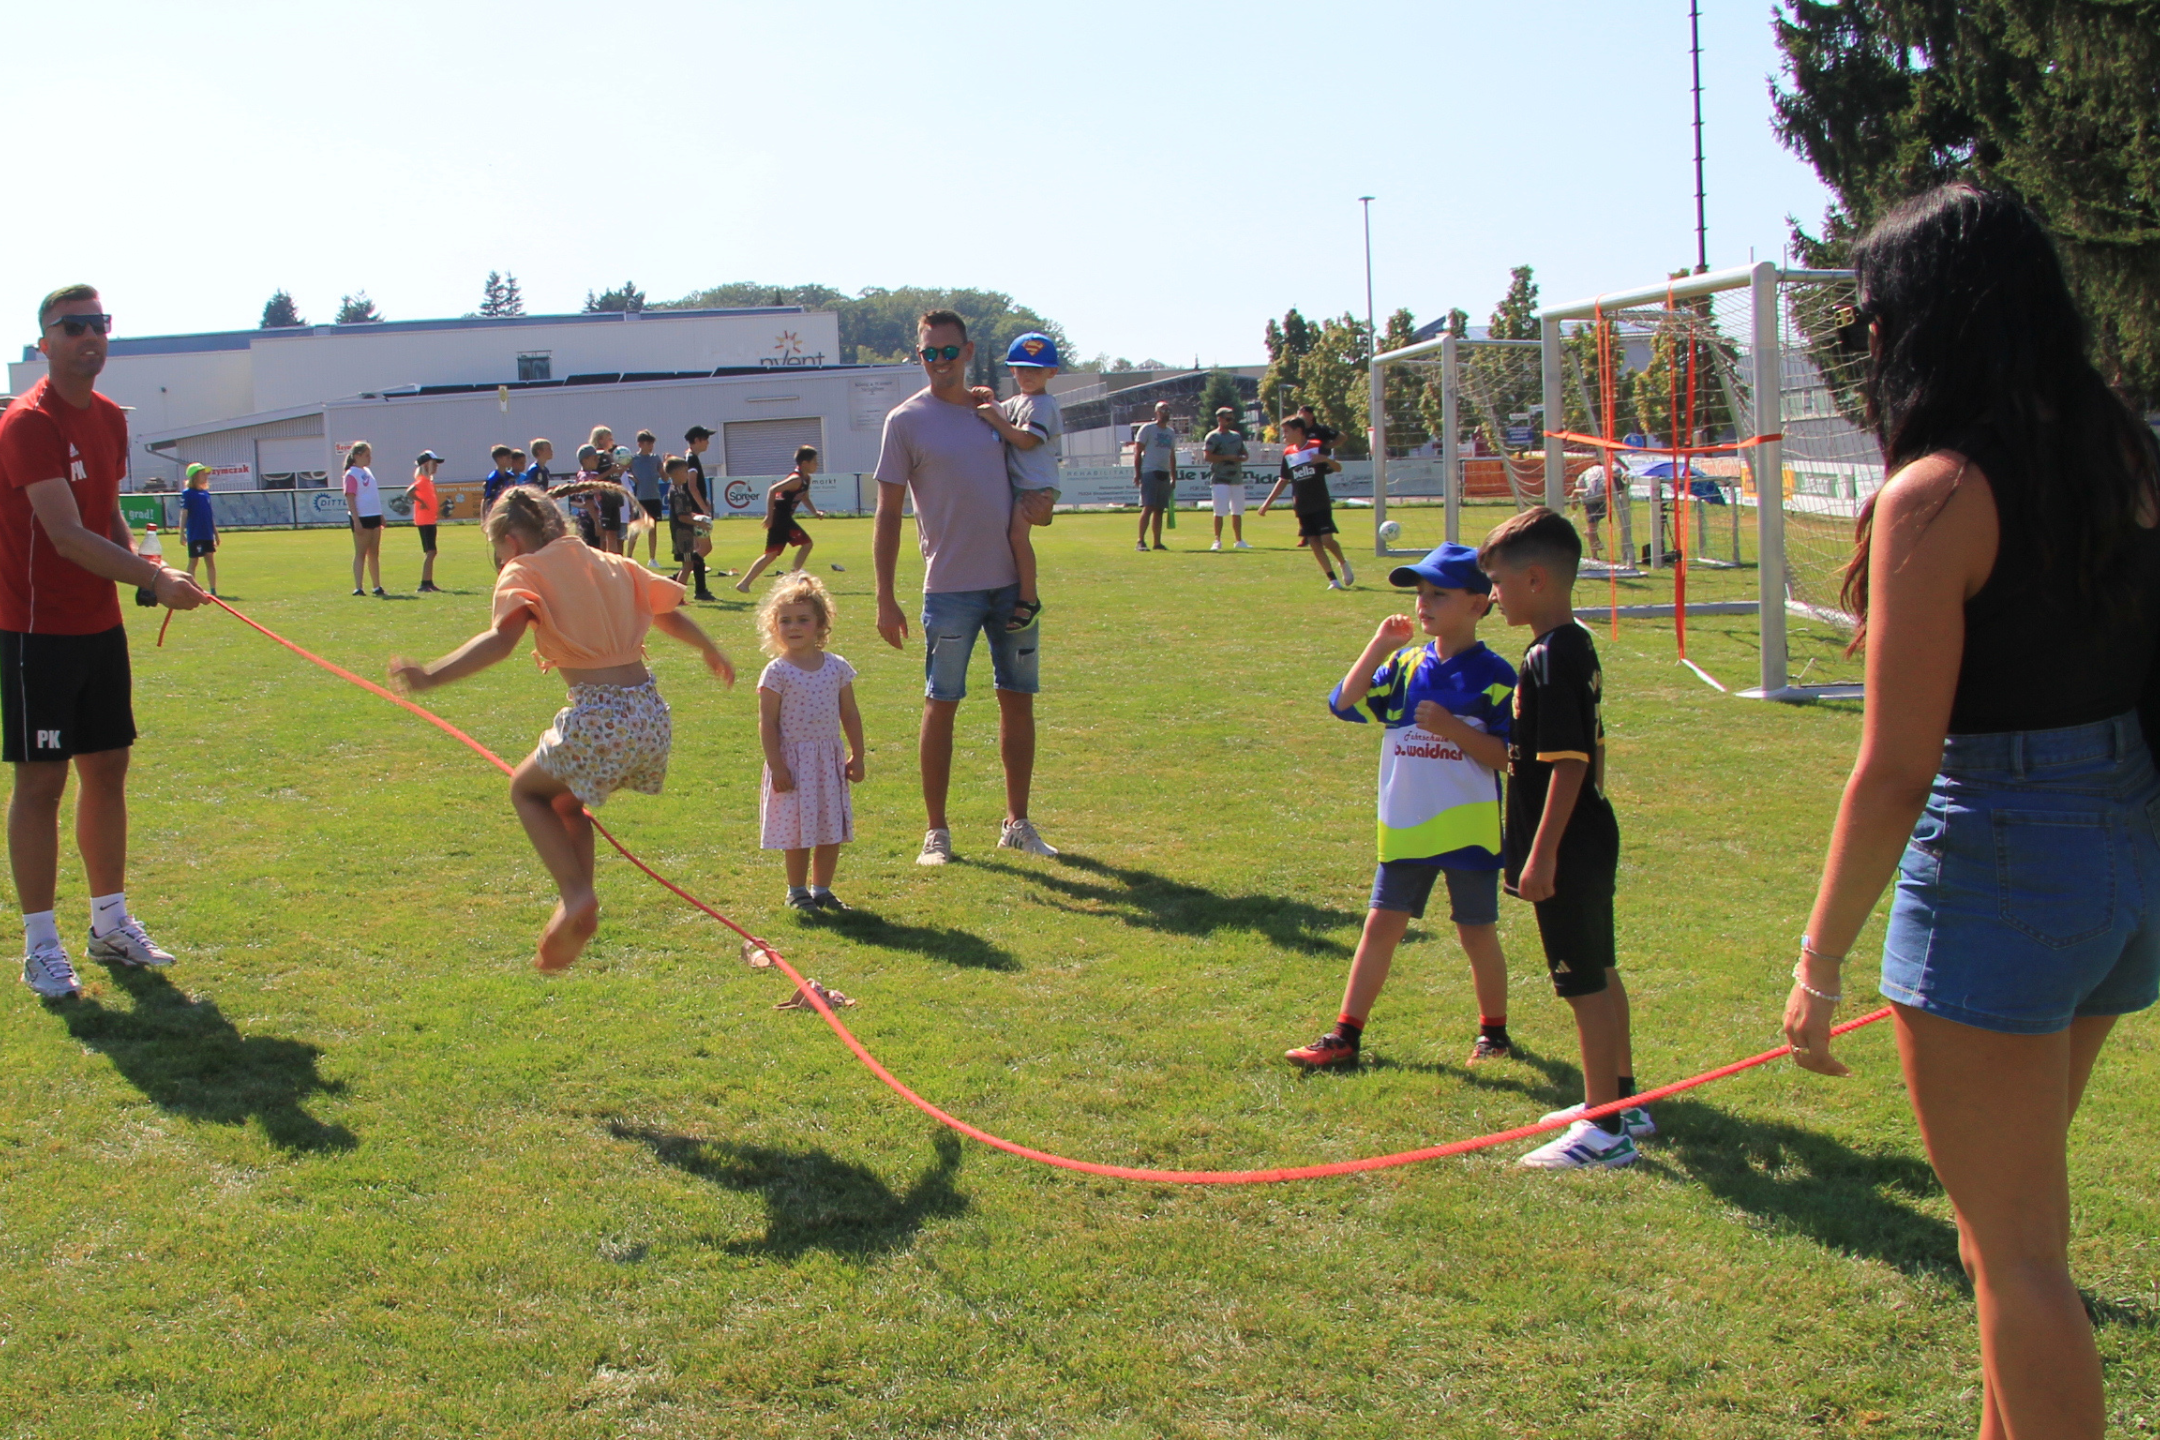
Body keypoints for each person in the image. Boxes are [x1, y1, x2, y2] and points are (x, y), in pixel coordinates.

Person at [1781, 184, 2160, 1439]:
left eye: (1876, 318)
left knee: (2019, 1259)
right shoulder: (2124, 454)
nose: (1870, 344)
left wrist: (1819, 959)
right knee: (2001, 1230)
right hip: (2123, 864)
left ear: (1923, 325)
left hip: (2006, 865)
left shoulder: (1935, 496)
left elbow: (1896, 765)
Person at [387, 489, 733, 971]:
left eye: (499, 551)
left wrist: (431, 675)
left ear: (510, 539)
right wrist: (710, 648)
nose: (501, 561)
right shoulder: (609, 561)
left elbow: (500, 641)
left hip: (601, 717)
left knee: (526, 792)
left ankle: (575, 896)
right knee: (567, 802)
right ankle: (578, 902)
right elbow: (667, 613)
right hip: (651, 714)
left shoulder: (526, 570)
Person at [0, 284, 207, 999]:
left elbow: (106, 518)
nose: (91, 336)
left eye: (100, 325)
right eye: (74, 326)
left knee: (109, 767)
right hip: (34, 630)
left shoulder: (112, 418)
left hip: (97, 627)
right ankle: (39, 944)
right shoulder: (27, 422)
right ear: (44, 343)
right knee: (41, 781)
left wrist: (148, 575)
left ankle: (110, 924)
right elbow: (63, 535)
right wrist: (153, 580)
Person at [1285, 544, 1517, 1069]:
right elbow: (1342, 703)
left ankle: (1494, 1034)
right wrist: (1377, 645)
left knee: (1475, 931)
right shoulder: (1405, 665)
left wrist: (1454, 730)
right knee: (1380, 927)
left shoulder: (1497, 677)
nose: (1423, 604)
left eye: (1439, 594)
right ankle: (1345, 1035)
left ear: (1479, 604)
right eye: (1419, 594)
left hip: (1469, 829)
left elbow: (1510, 758)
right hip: (1407, 825)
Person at [1476, 506, 1648, 1169]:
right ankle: (1618, 1098)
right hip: (1586, 836)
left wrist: (1543, 851)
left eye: (1497, 582)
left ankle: (1604, 1135)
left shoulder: (1550, 658)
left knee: (1581, 981)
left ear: (1537, 580)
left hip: (1569, 842)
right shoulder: (1566, 646)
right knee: (1600, 966)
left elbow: (1570, 763)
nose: (1492, 596)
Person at [873, 309, 1057, 866]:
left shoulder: (994, 412)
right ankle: (937, 832)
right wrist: (885, 595)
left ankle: (1017, 822)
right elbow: (886, 513)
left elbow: (1033, 468)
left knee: (1018, 701)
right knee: (941, 703)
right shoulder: (904, 421)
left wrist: (1042, 506)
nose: (940, 362)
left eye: (950, 351)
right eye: (930, 353)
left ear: (969, 350)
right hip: (949, 588)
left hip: (1011, 586)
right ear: (919, 354)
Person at [756, 573, 865, 912]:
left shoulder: (837, 667)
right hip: (793, 762)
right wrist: (777, 765)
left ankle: (823, 889)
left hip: (827, 760)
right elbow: (768, 722)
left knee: (830, 829)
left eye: (803, 619)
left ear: (820, 623)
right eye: (785, 620)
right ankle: (797, 891)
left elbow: (849, 713)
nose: (794, 626)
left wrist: (857, 754)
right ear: (775, 626)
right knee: (798, 830)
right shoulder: (776, 672)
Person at [971, 332, 1063, 630]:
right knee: (1011, 538)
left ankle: (1028, 598)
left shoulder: (1044, 405)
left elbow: (1025, 440)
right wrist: (988, 398)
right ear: (1012, 369)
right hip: (1021, 482)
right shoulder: (1018, 401)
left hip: (1035, 483)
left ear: (1051, 373)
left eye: (1035, 369)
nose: (1027, 375)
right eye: (1022, 368)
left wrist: (995, 419)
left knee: (1017, 538)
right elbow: (1000, 410)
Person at [1259, 417, 1354, 588]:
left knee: (1327, 539)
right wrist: (1266, 504)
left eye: (1287, 431)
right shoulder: (1288, 453)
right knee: (1314, 543)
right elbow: (1283, 480)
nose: (1284, 435)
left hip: (1320, 501)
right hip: (1302, 504)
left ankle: (1343, 562)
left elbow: (1338, 468)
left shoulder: (1316, 446)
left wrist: (1325, 459)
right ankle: (1333, 580)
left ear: (1299, 431)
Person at [734, 446, 821, 593]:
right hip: (781, 518)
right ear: (805, 463)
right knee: (807, 544)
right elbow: (772, 490)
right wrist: (769, 516)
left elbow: (804, 497)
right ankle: (795, 576)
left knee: (771, 554)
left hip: (782, 519)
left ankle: (744, 583)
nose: (817, 465)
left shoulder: (806, 479)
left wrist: (815, 512)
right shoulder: (796, 479)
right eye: (815, 462)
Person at [663, 456, 714, 594]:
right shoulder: (678, 493)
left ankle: (679, 595)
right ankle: (677, 596)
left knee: (689, 563)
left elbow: (685, 512)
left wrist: (696, 516)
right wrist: (698, 523)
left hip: (684, 533)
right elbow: (682, 517)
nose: (687, 474)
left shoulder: (677, 489)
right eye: (685, 471)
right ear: (677, 473)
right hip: (682, 534)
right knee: (687, 565)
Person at [1131, 401, 1177, 551]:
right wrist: (1137, 473)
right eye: (1163, 411)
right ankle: (1140, 541)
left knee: (1160, 509)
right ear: (1156, 412)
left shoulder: (1170, 432)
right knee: (1148, 506)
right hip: (1150, 471)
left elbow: (1171, 455)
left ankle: (1157, 542)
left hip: (1164, 473)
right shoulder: (1148, 429)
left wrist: (1173, 476)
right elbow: (1138, 451)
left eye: (1168, 411)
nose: (1166, 414)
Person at [1203, 407, 1251, 551]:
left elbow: (1245, 453)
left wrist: (1241, 458)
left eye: (1231, 419)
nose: (1230, 422)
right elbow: (1207, 456)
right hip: (1220, 478)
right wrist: (1226, 457)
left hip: (1236, 478)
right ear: (1220, 419)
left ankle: (1239, 540)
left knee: (1237, 511)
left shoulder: (1236, 436)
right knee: (1219, 511)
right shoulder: (1213, 437)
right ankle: (1217, 540)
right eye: (1227, 418)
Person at [343, 441, 386, 595]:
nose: (370, 458)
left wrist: (380, 515)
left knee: (374, 552)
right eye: (367, 455)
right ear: (357, 456)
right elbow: (350, 497)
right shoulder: (352, 474)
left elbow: (373, 496)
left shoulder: (368, 472)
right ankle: (359, 587)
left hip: (373, 515)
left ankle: (377, 586)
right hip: (362, 517)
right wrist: (356, 520)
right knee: (361, 553)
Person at [681, 426, 718, 600]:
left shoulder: (691, 457)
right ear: (696, 440)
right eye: (705, 439)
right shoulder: (692, 460)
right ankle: (680, 576)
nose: (708, 443)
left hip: (693, 509)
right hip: (694, 510)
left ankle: (689, 580)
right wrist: (703, 507)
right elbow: (692, 486)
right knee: (704, 548)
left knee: (698, 548)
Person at [627, 430, 666, 565]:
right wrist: (631, 477)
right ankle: (629, 556)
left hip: (654, 497)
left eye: (652, 443)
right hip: (640, 498)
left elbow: (665, 477)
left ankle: (652, 558)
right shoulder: (633, 459)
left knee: (653, 528)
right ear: (640, 444)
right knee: (636, 528)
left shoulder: (655, 459)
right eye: (648, 443)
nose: (651, 446)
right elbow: (623, 472)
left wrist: (665, 466)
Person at [180, 463, 218, 596]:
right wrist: (182, 533)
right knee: (193, 561)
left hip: (207, 533)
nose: (205, 476)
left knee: (210, 561)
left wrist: (216, 534)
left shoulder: (206, 494)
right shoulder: (188, 494)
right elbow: (184, 513)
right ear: (194, 476)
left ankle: (213, 590)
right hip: (195, 534)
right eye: (202, 473)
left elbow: (209, 515)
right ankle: (190, 589)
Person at [410, 450, 444, 592]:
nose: (436, 467)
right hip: (424, 520)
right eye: (434, 464)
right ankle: (424, 583)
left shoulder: (428, 481)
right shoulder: (422, 481)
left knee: (432, 551)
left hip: (429, 519)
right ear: (426, 464)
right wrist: (421, 502)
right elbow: (409, 492)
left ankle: (428, 582)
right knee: (430, 551)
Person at [1575, 459, 1611, 560]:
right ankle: (1594, 556)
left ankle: (1592, 536)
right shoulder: (1606, 470)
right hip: (1600, 498)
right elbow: (1607, 483)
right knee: (1593, 527)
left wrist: (1579, 498)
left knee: (1594, 524)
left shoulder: (1587, 471)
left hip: (1589, 498)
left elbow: (1579, 483)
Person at [482, 444, 521, 511]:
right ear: (499, 459)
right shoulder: (493, 478)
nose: (511, 460)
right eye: (508, 458)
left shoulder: (511, 477)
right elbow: (488, 500)